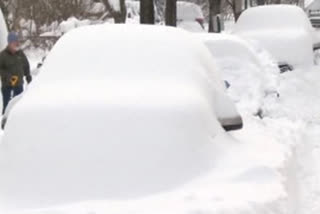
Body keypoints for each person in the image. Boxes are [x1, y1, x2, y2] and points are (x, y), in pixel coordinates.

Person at [0, 32, 32, 114]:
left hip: (19, 85)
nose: (17, 43)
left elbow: (26, 64)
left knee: (18, 107)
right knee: (7, 108)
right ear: (10, 43)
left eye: (17, 42)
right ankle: (5, 124)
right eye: (15, 42)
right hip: (7, 86)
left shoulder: (20, 53)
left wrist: (28, 75)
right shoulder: (3, 55)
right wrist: (9, 77)